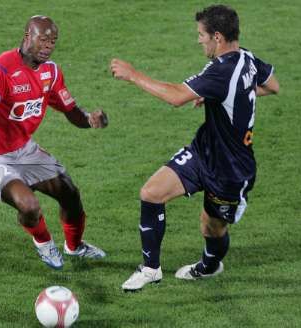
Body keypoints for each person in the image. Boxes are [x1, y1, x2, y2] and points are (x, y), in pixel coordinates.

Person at [110, 5, 279, 291]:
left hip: (230, 170)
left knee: (210, 226)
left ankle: (210, 266)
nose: (198, 40)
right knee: (151, 193)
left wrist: (133, 75)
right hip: (204, 151)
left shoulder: (222, 71)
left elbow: (177, 97)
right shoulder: (246, 58)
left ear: (217, 36)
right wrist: (223, 97)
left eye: (201, 35)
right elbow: (272, 85)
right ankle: (151, 269)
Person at [0, 15, 108, 270]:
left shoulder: (51, 72)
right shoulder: (1, 71)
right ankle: (45, 243)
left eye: (53, 41)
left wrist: (90, 120)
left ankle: (75, 246)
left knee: (69, 192)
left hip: (24, 149)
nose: (48, 46)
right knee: (29, 205)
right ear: (27, 36)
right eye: (43, 39)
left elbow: (71, 110)